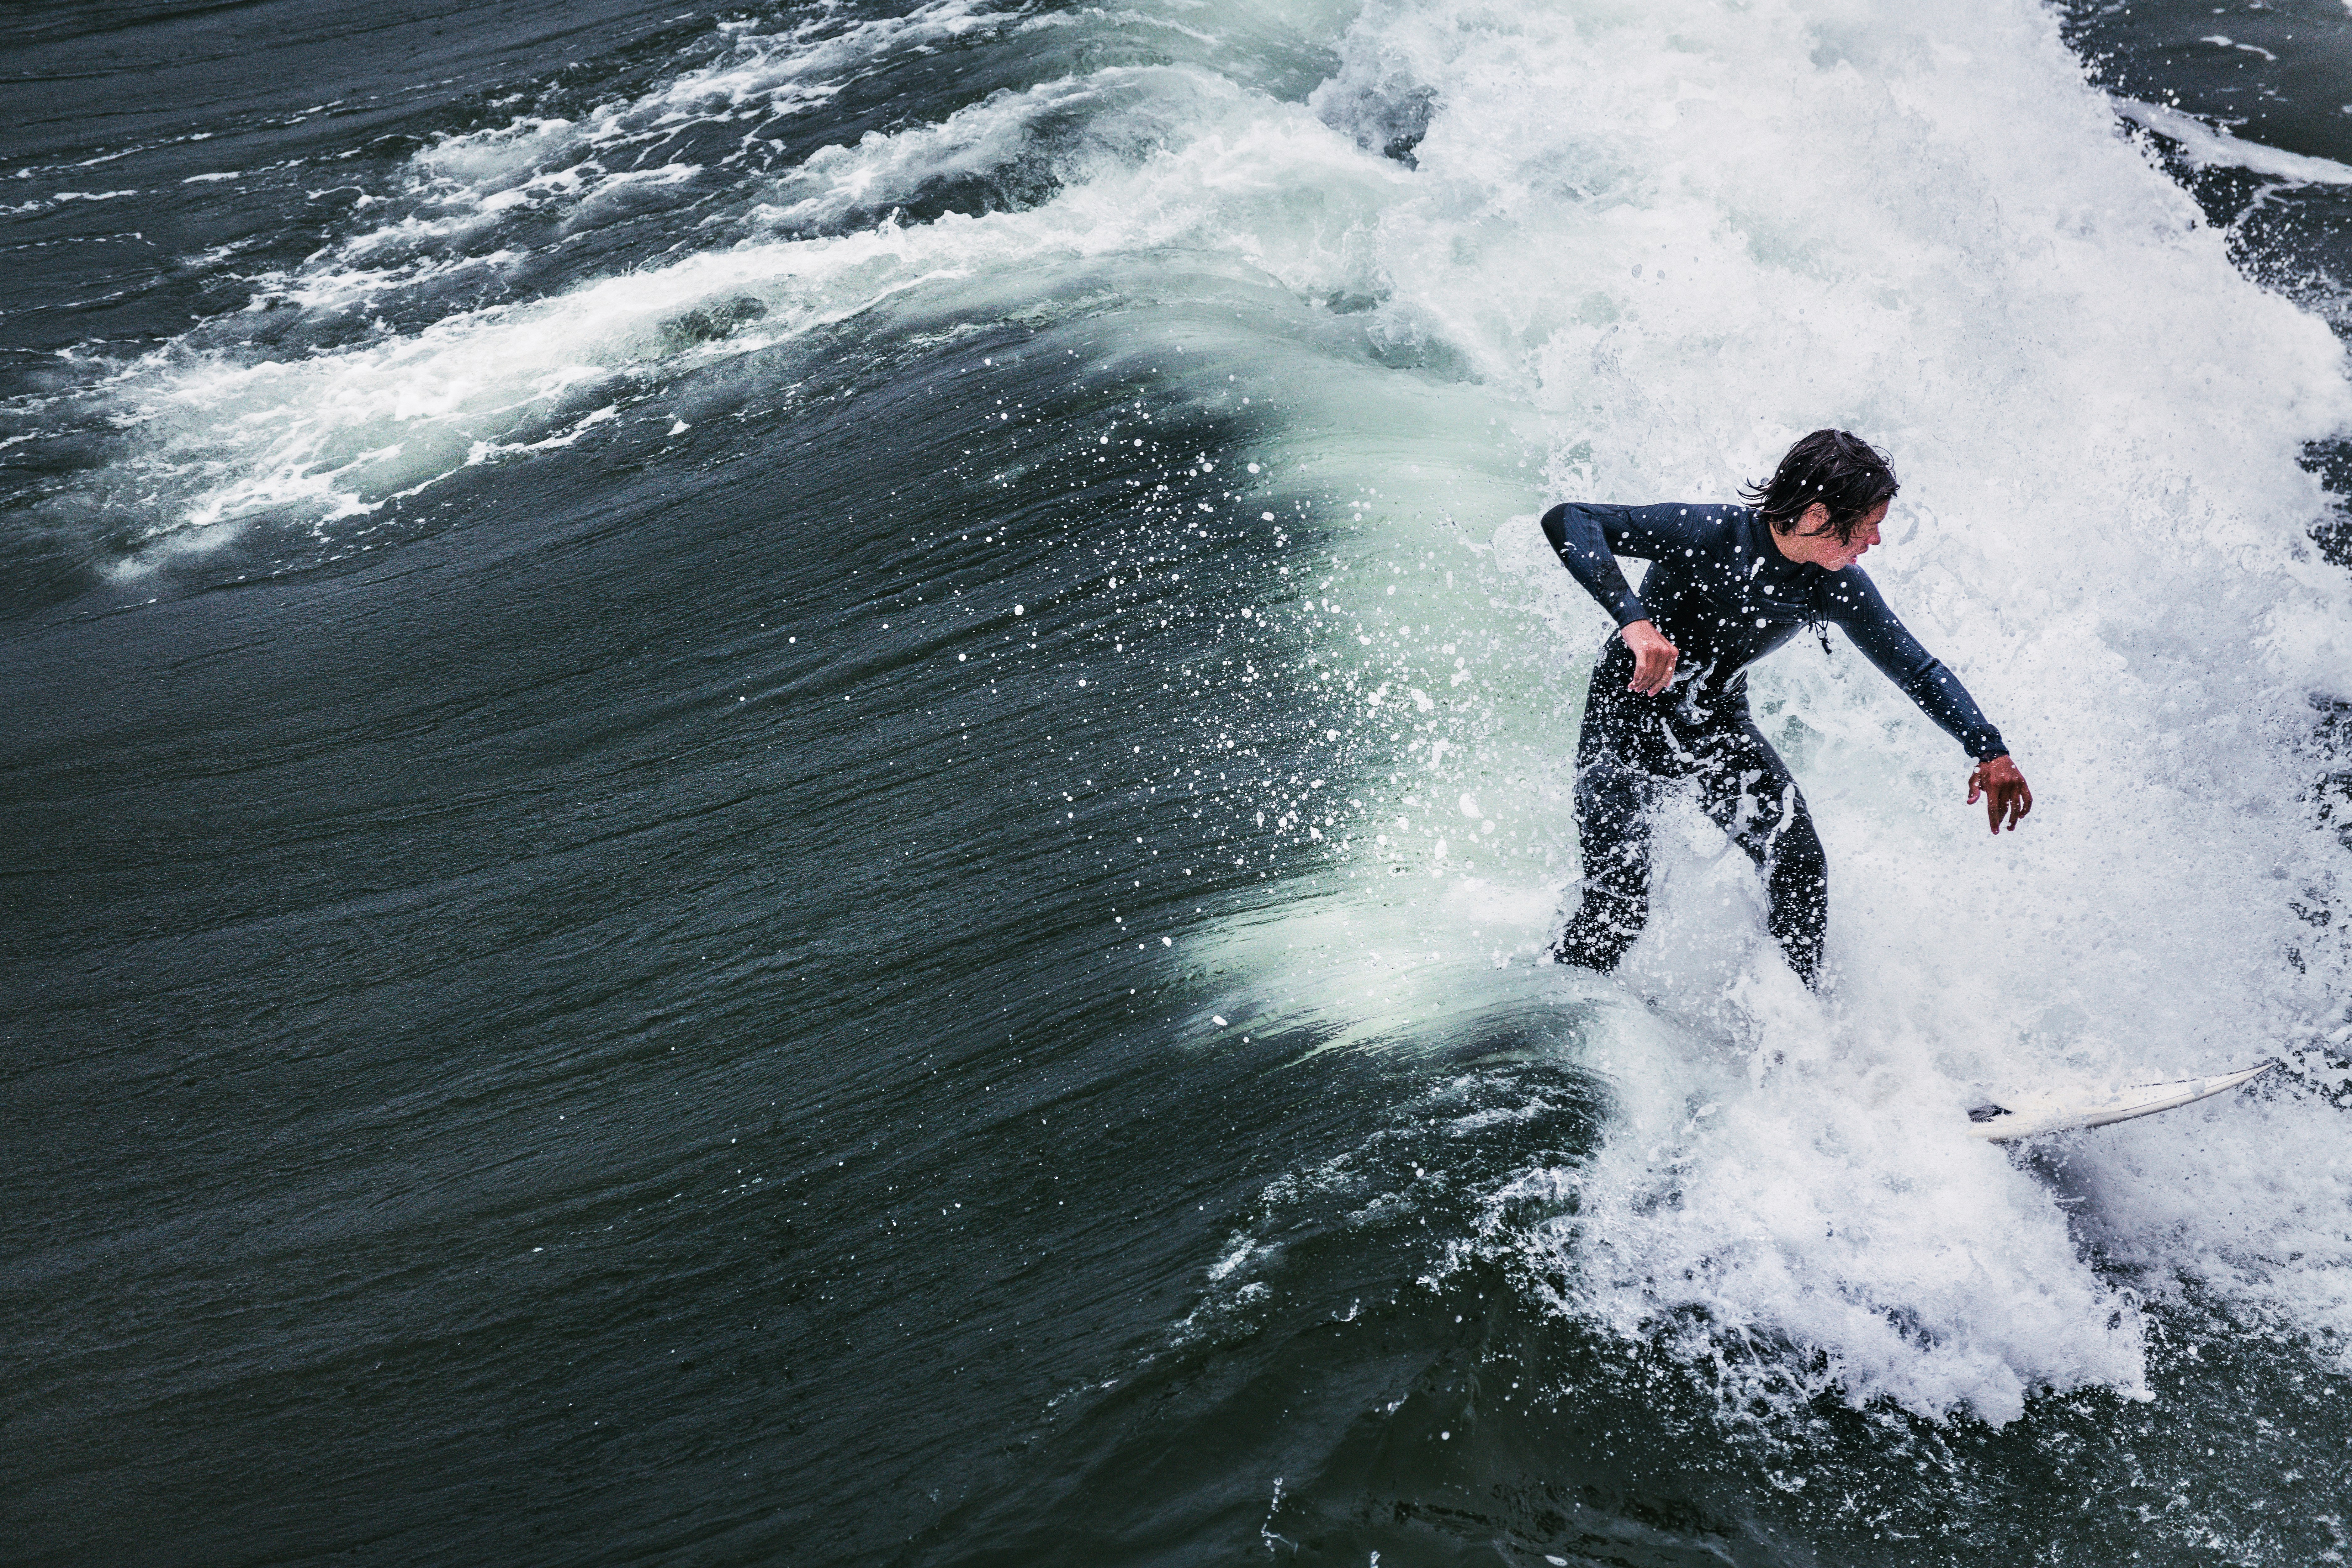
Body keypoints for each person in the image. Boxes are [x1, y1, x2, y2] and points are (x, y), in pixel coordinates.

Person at [1541, 429, 2030, 989]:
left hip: (1715, 730)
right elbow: (1571, 519)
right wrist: (1634, 621)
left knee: (1799, 869)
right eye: (1869, 527)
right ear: (1819, 515)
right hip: (1623, 725)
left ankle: (1790, 1037)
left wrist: (1989, 749)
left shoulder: (1833, 587)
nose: (1874, 543)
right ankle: (1550, 1014)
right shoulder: (1708, 533)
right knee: (1620, 907)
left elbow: (1917, 668)